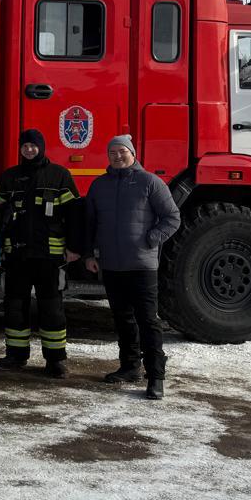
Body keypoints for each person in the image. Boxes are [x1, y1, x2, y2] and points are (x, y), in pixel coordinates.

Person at [85, 135, 181, 400]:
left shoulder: (150, 182)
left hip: (142, 266)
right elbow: (90, 223)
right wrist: (89, 254)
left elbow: (172, 217)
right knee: (122, 318)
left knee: (148, 320)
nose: (117, 156)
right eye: (112, 152)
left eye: (122, 151)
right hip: (112, 265)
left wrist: (151, 239)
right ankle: (130, 367)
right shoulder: (100, 185)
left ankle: (156, 377)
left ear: (133, 153)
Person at [0, 129, 82, 377]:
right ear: (20, 149)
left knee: (52, 308)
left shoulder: (59, 175)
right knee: (15, 307)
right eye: (25, 146)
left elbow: (74, 213)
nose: (29, 150)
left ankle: (55, 361)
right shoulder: (9, 177)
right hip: (17, 256)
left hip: (49, 257)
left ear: (41, 147)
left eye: (33, 146)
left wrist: (74, 247)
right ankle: (16, 356)